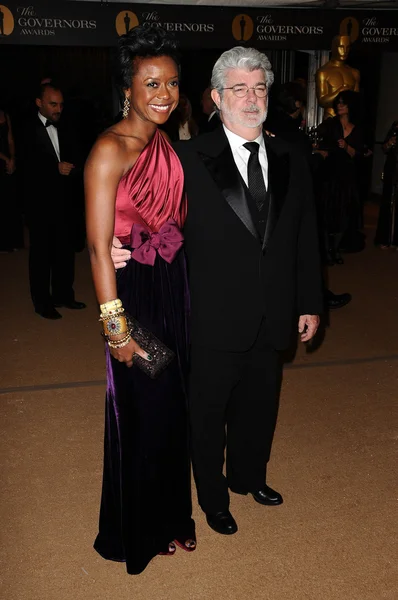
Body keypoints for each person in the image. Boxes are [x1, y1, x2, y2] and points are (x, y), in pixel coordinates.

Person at [113, 46, 323, 536]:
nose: (251, 99)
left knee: (260, 405)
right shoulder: (186, 158)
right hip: (210, 316)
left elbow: (305, 236)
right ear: (216, 97)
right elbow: (141, 211)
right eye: (239, 89)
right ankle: (212, 497)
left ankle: (249, 477)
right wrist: (117, 244)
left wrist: (310, 301)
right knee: (207, 414)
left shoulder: (292, 155)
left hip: (274, 310)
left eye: (259, 88)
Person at [84, 26, 196, 575]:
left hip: (173, 286)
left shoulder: (165, 140)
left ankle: (175, 516)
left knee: (174, 408)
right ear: (127, 87)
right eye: (151, 82)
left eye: (173, 82)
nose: (165, 93)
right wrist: (117, 329)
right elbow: (98, 250)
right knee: (142, 410)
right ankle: (139, 527)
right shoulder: (109, 149)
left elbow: (176, 218)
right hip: (134, 297)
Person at [266, 84, 351, 310]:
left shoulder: (269, 127)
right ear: (296, 105)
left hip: (271, 202)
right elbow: (303, 171)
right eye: (302, 102)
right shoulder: (294, 135)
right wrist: (319, 157)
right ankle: (317, 299)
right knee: (307, 251)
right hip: (292, 203)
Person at [20, 83, 86, 319]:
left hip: (65, 201)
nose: (59, 109)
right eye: (53, 104)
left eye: (61, 104)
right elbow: (25, 167)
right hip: (40, 203)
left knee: (64, 251)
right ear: (39, 103)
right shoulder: (26, 129)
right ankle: (42, 302)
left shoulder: (67, 125)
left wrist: (74, 168)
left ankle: (63, 296)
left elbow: (78, 156)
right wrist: (54, 168)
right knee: (41, 255)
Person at [316, 90, 363, 265]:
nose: (340, 105)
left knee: (345, 214)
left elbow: (357, 154)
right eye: (338, 103)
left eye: (344, 103)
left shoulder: (357, 129)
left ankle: (335, 249)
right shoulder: (329, 124)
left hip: (347, 177)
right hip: (329, 175)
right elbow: (318, 140)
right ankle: (328, 251)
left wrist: (346, 147)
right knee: (328, 213)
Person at [316, 34, 360, 120]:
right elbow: (322, 101)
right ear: (334, 48)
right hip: (331, 118)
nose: (344, 51)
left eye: (347, 47)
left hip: (348, 121)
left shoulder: (354, 72)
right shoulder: (324, 72)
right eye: (341, 47)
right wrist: (339, 92)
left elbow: (357, 101)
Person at [0, 104, 23, 252]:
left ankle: (12, 241)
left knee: (10, 200)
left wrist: (12, 158)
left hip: (8, 161)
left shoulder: (5, 114)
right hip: (1, 160)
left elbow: (10, 140)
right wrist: (5, 159)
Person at [374, 120, 398, 249]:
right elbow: (384, 148)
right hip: (392, 170)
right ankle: (385, 238)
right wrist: (390, 143)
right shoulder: (395, 126)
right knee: (387, 203)